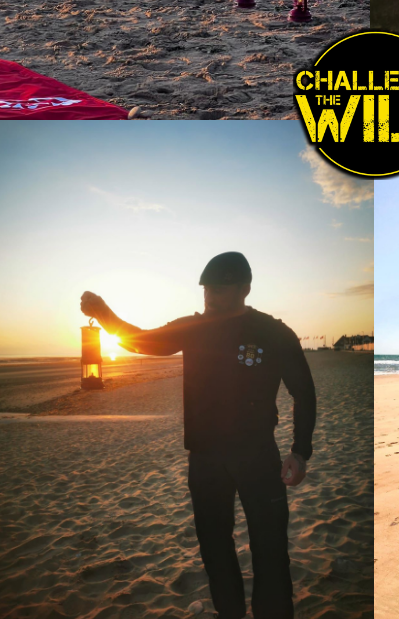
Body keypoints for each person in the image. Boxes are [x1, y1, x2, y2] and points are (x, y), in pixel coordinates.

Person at [80, 251, 315, 619]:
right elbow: (144, 340)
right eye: (206, 287)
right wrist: (106, 314)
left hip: (258, 457)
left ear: (244, 289)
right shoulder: (194, 327)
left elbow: (304, 391)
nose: (210, 295)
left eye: (220, 288)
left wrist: (300, 452)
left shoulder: (273, 332)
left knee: (270, 551)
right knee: (215, 550)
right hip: (205, 460)